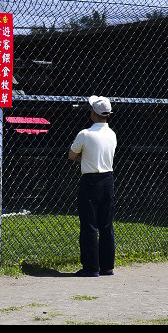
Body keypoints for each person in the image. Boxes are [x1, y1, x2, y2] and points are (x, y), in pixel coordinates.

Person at [67, 95, 118, 276]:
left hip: (90, 181)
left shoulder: (85, 134)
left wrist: (84, 158)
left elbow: (72, 155)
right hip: (108, 181)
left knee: (89, 225)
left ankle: (91, 267)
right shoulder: (112, 134)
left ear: (93, 114)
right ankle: (107, 266)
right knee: (106, 225)